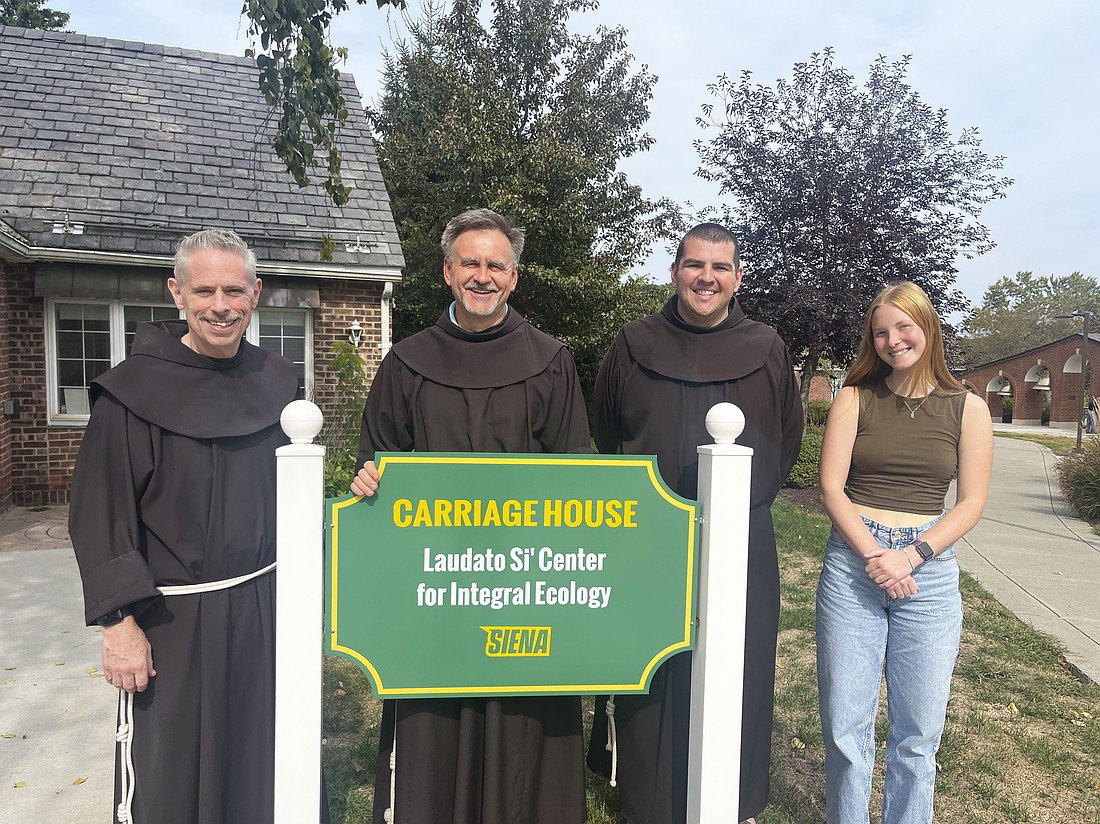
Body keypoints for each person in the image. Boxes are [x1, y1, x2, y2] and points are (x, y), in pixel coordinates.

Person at [350, 208, 591, 824]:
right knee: (436, 717)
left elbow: (579, 477)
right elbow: (375, 457)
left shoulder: (550, 361)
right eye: (470, 263)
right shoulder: (406, 362)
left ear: (514, 278)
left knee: (526, 722)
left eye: (495, 265)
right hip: (437, 582)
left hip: (526, 582)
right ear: (447, 273)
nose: (482, 276)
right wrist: (368, 478)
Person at [69, 228, 299, 824]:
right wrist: (119, 625)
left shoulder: (277, 384)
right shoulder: (130, 394)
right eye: (204, 291)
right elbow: (98, 515)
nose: (220, 306)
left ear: (256, 293)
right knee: (171, 779)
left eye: (233, 290)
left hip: (262, 610)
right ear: (176, 293)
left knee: (262, 765)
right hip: (171, 621)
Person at [585, 223, 804, 824]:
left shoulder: (766, 346)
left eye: (720, 268)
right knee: (651, 662)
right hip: (645, 536)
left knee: (741, 660)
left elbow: (786, 439)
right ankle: (648, 797)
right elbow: (609, 431)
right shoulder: (633, 343)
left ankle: (733, 797)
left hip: (741, 535)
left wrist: (741, 505)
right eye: (694, 265)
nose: (706, 278)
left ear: (738, 278)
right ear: (675, 270)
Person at [816, 281, 993, 823]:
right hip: (854, 567)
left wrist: (910, 556)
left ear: (927, 326)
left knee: (918, 736)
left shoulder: (968, 409)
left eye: (903, 326)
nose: (894, 340)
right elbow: (831, 488)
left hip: (928, 574)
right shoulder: (853, 397)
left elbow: (971, 503)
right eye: (881, 332)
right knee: (846, 729)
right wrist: (877, 557)